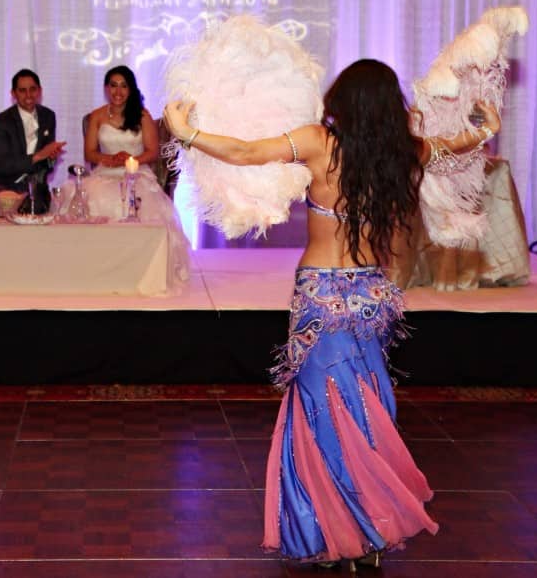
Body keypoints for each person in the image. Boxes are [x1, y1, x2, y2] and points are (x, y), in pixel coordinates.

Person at [164, 59, 501, 569]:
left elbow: (246, 152)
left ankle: (333, 534)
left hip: (321, 295)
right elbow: (454, 148)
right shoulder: (402, 153)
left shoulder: (320, 144)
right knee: (362, 406)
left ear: (341, 100)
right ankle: (364, 532)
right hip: (371, 295)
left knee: (324, 411)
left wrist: (186, 133)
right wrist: (483, 131)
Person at [66, 65, 190, 290]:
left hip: (136, 172)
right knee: (91, 199)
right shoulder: (96, 116)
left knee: (138, 203)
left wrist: (129, 160)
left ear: (131, 89)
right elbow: (89, 153)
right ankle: (97, 268)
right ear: (106, 88)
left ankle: (138, 269)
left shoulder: (142, 115)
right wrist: (110, 159)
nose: (118, 91)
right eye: (113, 85)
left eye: (124, 86)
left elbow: (152, 151)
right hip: (105, 172)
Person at [0, 69, 66, 214]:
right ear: (13, 94)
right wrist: (38, 156)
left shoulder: (48, 116)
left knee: (42, 205)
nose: (28, 95)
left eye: (32, 89)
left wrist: (51, 158)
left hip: (34, 186)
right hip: (2, 184)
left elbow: (46, 167)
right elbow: (1, 164)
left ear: (40, 91)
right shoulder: (1, 121)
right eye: (22, 90)